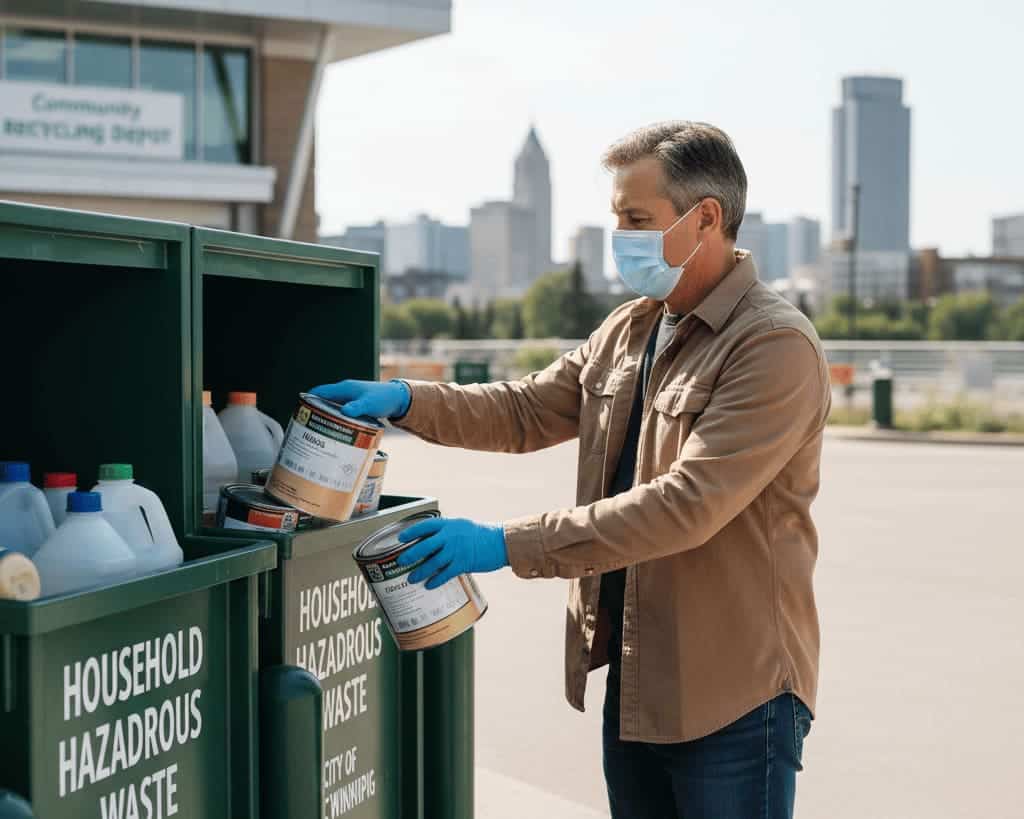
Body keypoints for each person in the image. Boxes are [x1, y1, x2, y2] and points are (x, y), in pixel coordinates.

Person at [312, 121, 830, 819]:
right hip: (641, 681)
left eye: (636, 218)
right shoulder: (631, 329)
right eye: (616, 217)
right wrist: (407, 400)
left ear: (706, 218)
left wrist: (501, 544)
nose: (620, 236)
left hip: (735, 699)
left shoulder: (773, 346)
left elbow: (685, 505)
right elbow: (524, 409)